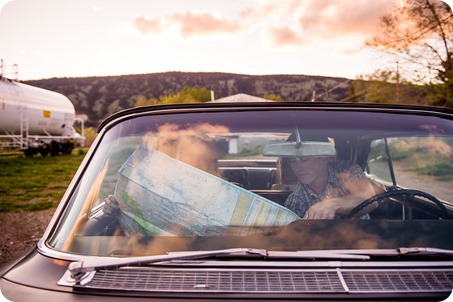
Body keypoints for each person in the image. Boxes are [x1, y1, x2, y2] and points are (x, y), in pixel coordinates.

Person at [283, 134, 376, 219]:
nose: (297, 168)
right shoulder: (294, 202)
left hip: (365, 235)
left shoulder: (347, 170)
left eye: (304, 159)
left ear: (325, 158)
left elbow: (371, 200)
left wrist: (332, 204)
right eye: (292, 161)